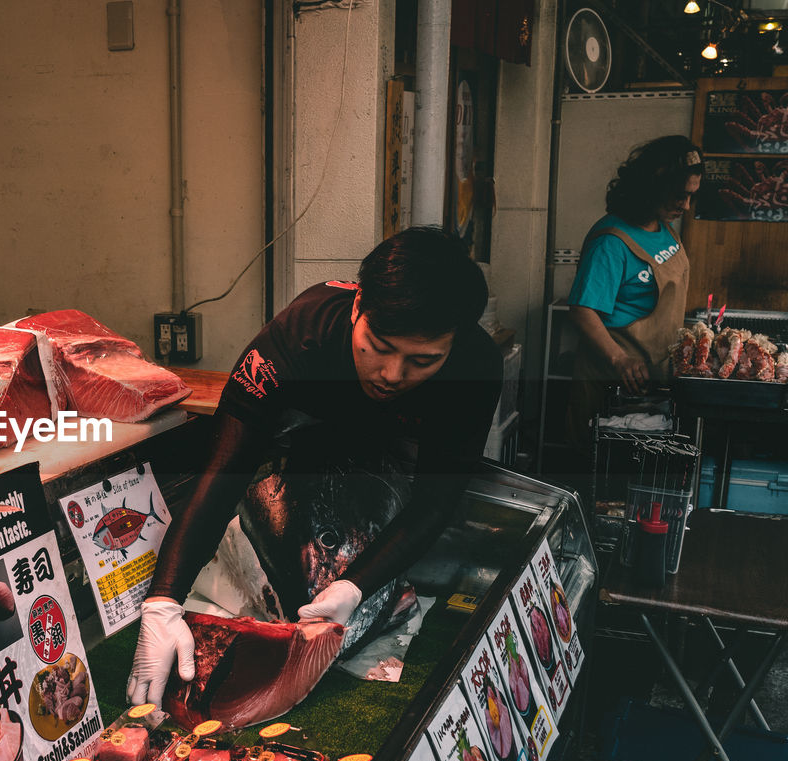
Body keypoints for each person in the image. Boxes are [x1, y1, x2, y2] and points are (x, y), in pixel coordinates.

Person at [126, 227, 502, 706]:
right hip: (301, 448)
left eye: (422, 360)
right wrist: (163, 601)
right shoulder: (297, 336)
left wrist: (355, 585)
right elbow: (222, 476)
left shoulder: (475, 362)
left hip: (400, 460)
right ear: (358, 304)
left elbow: (436, 498)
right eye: (380, 346)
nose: (392, 374)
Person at [566, 136, 703, 446]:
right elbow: (581, 309)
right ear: (652, 186)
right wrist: (619, 360)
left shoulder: (662, 225)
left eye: (691, 196)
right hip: (612, 384)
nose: (686, 206)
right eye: (679, 196)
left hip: (653, 380)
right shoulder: (612, 242)